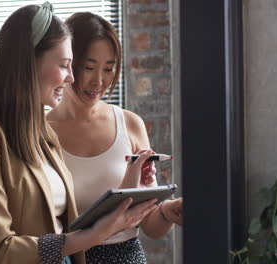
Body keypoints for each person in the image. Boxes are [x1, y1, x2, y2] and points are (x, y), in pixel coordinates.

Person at [0, 3, 159, 264]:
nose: (71, 78)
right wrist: (95, 235)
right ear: (28, 62)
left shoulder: (39, 130)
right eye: (64, 65)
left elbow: (58, 228)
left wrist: (130, 188)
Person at [46, 12, 183, 263]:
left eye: (108, 69)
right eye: (89, 67)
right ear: (67, 64)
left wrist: (167, 212)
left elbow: (150, 227)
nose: (99, 81)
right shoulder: (40, 131)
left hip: (127, 256)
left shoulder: (130, 124)